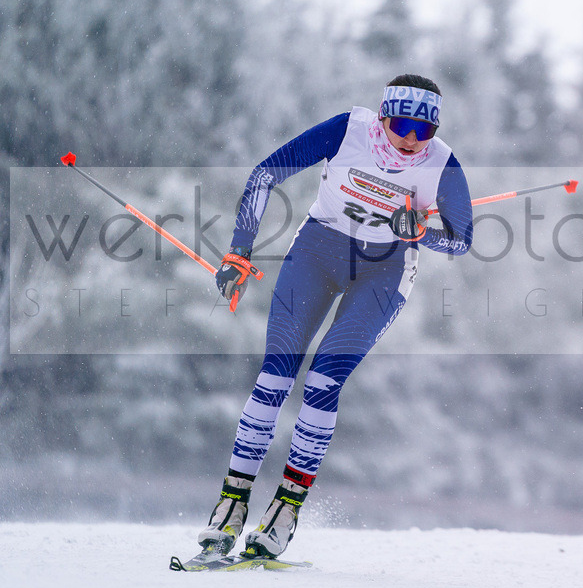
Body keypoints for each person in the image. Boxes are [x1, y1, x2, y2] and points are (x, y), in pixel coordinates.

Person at [197, 74, 473, 559]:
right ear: (383, 116)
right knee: (276, 373)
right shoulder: (349, 130)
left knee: (324, 380)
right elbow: (265, 174)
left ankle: (285, 510)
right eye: (403, 125)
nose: (412, 139)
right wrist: (239, 250)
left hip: (384, 272)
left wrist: (421, 233)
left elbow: (461, 240)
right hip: (318, 252)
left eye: (425, 130)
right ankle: (232, 503)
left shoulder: (442, 163)